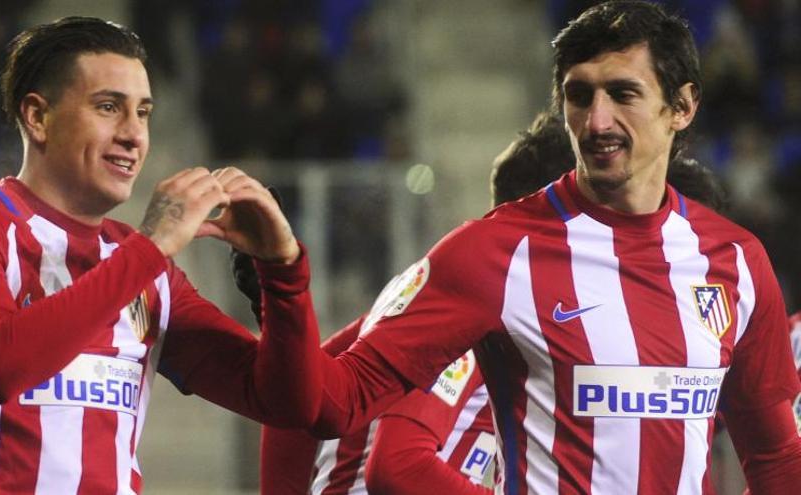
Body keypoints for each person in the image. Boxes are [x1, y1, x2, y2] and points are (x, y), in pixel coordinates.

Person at [283, 2, 801, 494]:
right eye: (579, 96)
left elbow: (775, 456)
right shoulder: (493, 253)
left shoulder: (735, 259)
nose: (597, 122)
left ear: (682, 106)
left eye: (622, 94)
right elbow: (336, 404)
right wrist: (279, 277)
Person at [0, 17, 322, 493]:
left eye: (144, 112)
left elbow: (287, 404)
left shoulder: (150, 274)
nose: (134, 135)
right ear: (37, 116)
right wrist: (149, 249)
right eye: (109, 107)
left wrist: (283, 278)